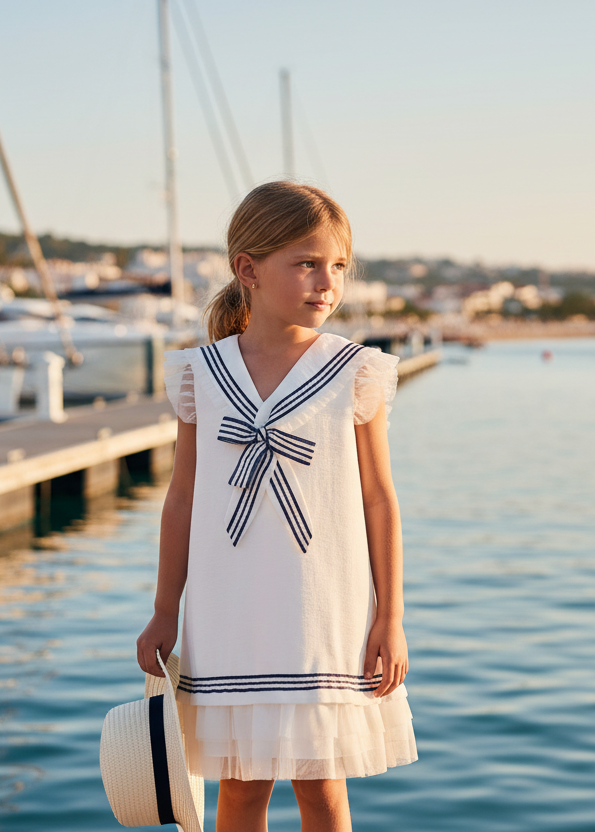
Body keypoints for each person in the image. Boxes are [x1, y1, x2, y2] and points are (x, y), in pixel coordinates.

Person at [137, 181, 418, 832]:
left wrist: (391, 617)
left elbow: (379, 500)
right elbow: (181, 498)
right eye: (307, 263)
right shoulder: (199, 375)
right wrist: (162, 609)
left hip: (324, 612)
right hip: (228, 609)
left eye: (338, 267)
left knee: (321, 787)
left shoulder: (354, 371)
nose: (327, 282)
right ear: (248, 270)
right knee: (239, 790)